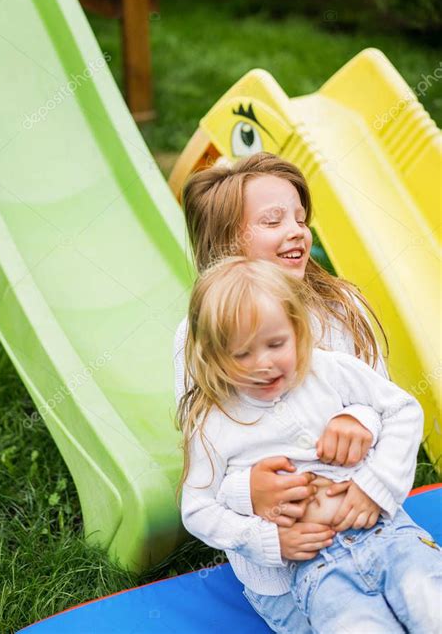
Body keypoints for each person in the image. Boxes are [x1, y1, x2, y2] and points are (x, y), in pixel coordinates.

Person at [174, 152, 393, 630]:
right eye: (273, 221)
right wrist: (246, 490)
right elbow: (206, 456)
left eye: (299, 217)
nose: (296, 230)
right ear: (229, 242)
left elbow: (386, 402)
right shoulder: (198, 338)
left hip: (368, 524)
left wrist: (359, 420)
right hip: (285, 567)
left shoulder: (342, 308)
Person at [178, 257, 440, 633]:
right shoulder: (213, 424)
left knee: (432, 606)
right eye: (242, 354)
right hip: (317, 572)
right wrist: (269, 541)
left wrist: (375, 485)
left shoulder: (329, 370)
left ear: (297, 329)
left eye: (276, 343)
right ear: (214, 357)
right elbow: (198, 508)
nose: (263, 363)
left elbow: (402, 410)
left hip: (388, 535)